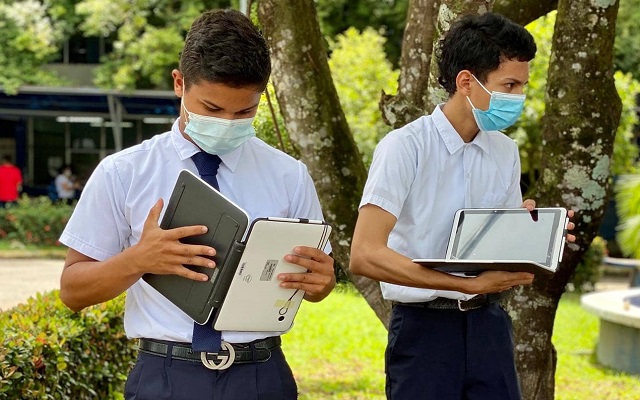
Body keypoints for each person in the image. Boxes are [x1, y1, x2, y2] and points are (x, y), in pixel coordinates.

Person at [59, 9, 335, 400]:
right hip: (166, 375)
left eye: (244, 112)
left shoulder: (288, 175)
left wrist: (322, 282)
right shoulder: (124, 173)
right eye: (211, 108)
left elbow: (315, 283)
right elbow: (72, 290)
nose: (227, 122)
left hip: (261, 375)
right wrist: (139, 259)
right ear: (179, 83)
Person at [349, 12, 575, 400]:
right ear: (466, 82)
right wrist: (463, 285)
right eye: (509, 85)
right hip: (424, 333)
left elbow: (494, 254)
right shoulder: (405, 147)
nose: (519, 97)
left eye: (523, 85)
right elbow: (364, 255)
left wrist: (533, 235)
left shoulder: (505, 151)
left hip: (490, 327)